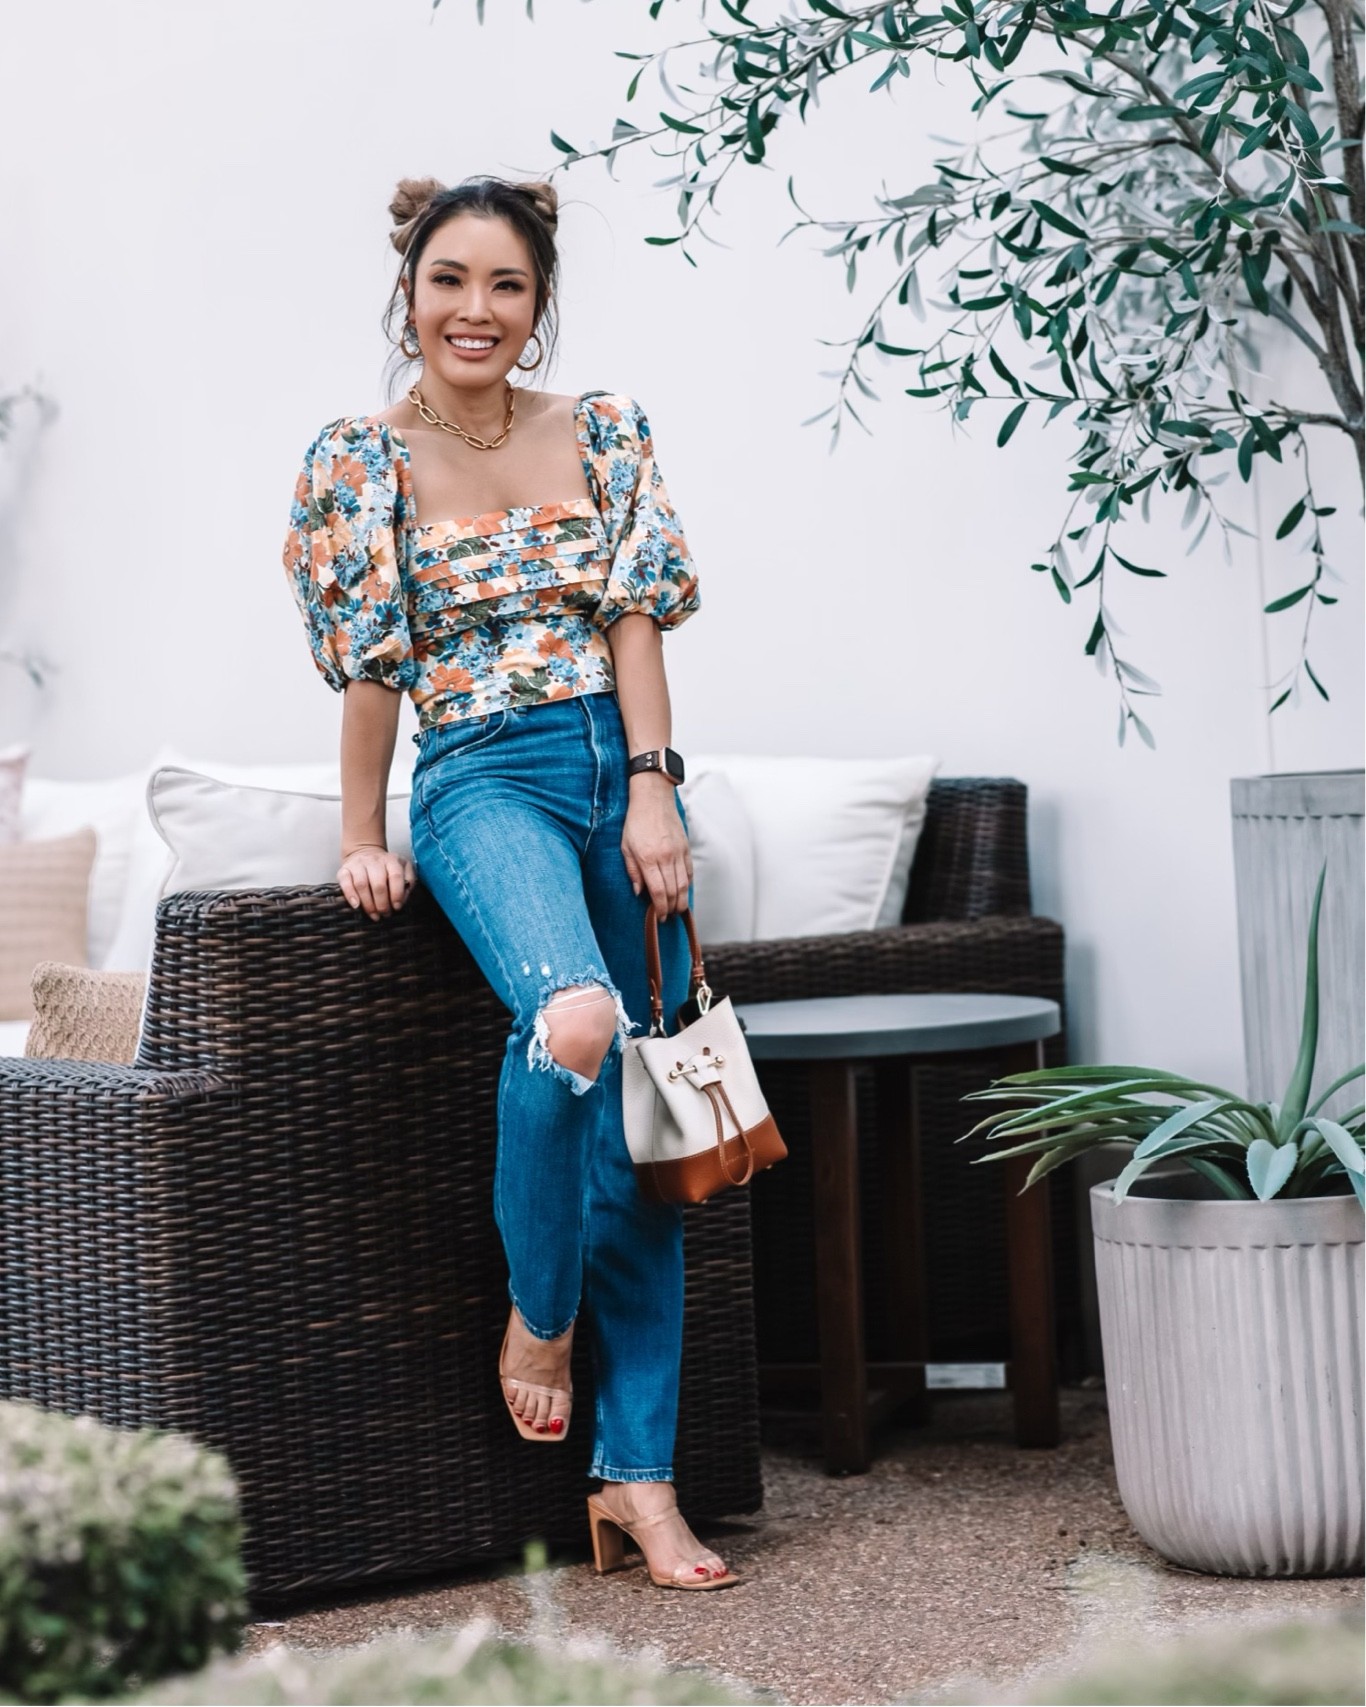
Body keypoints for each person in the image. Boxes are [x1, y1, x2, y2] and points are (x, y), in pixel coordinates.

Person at [282, 175, 737, 1592]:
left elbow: (634, 616)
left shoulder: (601, 430)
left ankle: (638, 1485)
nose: (474, 311)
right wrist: (365, 829)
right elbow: (371, 668)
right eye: (449, 281)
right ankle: (537, 1315)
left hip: (619, 773)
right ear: (408, 291)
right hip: (483, 777)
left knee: (644, 1154)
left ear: (538, 309)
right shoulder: (358, 458)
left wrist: (655, 785)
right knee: (577, 1022)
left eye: (506, 287)